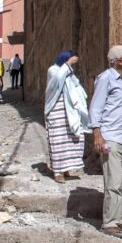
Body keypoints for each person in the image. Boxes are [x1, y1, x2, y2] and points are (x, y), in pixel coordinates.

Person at [89, 44, 122, 237]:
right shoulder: (106, 79)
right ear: (119, 61)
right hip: (110, 138)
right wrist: (97, 135)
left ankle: (120, 218)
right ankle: (109, 222)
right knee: (114, 181)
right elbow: (95, 108)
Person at [44, 50, 89, 183]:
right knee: (58, 141)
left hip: (70, 112)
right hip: (56, 111)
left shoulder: (68, 71)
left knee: (72, 139)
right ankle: (57, 172)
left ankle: (66, 169)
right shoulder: (53, 70)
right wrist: (68, 64)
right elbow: (57, 80)